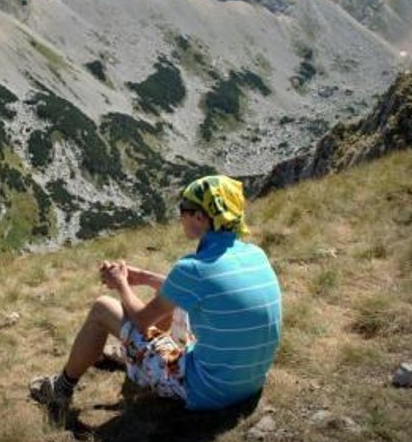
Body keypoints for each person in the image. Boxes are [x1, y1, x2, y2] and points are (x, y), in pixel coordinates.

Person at [29, 175, 282, 413]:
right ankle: (134, 351)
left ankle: (60, 389)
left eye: (184, 209)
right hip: (248, 383)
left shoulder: (193, 268)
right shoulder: (255, 254)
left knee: (103, 308)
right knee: (176, 304)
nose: (180, 216)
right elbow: (194, 290)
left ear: (200, 217)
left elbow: (141, 319)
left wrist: (121, 284)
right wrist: (143, 277)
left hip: (205, 391)